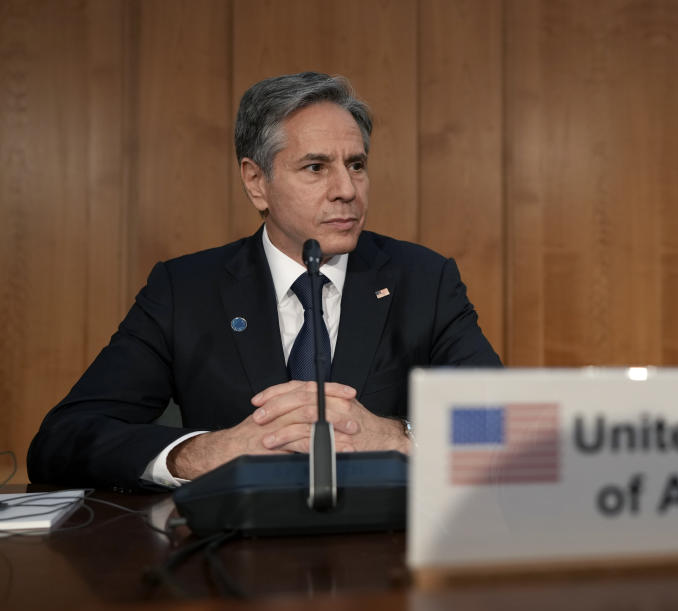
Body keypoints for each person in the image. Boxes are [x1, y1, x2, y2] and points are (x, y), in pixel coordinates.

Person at [27, 72, 501, 491]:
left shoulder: (423, 278)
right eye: (316, 168)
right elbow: (64, 438)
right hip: (232, 561)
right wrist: (203, 452)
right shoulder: (185, 290)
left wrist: (398, 436)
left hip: (383, 556)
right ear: (257, 183)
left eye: (356, 165)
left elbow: (503, 423)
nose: (347, 190)